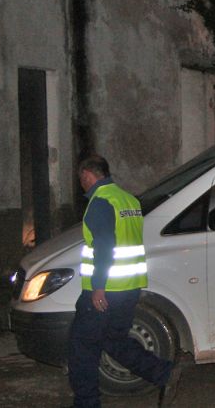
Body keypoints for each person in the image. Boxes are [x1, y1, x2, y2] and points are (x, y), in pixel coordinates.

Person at [68, 155, 180, 407]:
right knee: (114, 340)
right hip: (129, 287)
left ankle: (86, 403)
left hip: (105, 290)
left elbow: (105, 247)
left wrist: (98, 287)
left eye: (81, 180)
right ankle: (163, 372)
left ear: (87, 175)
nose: (82, 185)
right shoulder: (129, 199)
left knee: (82, 348)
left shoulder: (100, 202)